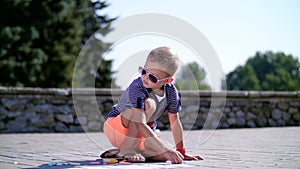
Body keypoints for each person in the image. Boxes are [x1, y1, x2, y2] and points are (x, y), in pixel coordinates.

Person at [103, 46, 203, 164]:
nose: (145, 77)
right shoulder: (137, 87)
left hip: (140, 134)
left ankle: (120, 152)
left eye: (152, 77)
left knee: (168, 155)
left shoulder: (171, 92)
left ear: (167, 81)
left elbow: (175, 122)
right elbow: (139, 122)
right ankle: (127, 149)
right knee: (149, 104)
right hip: (117, 127)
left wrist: (180, 151)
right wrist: (164, 149)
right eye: (144, 71)